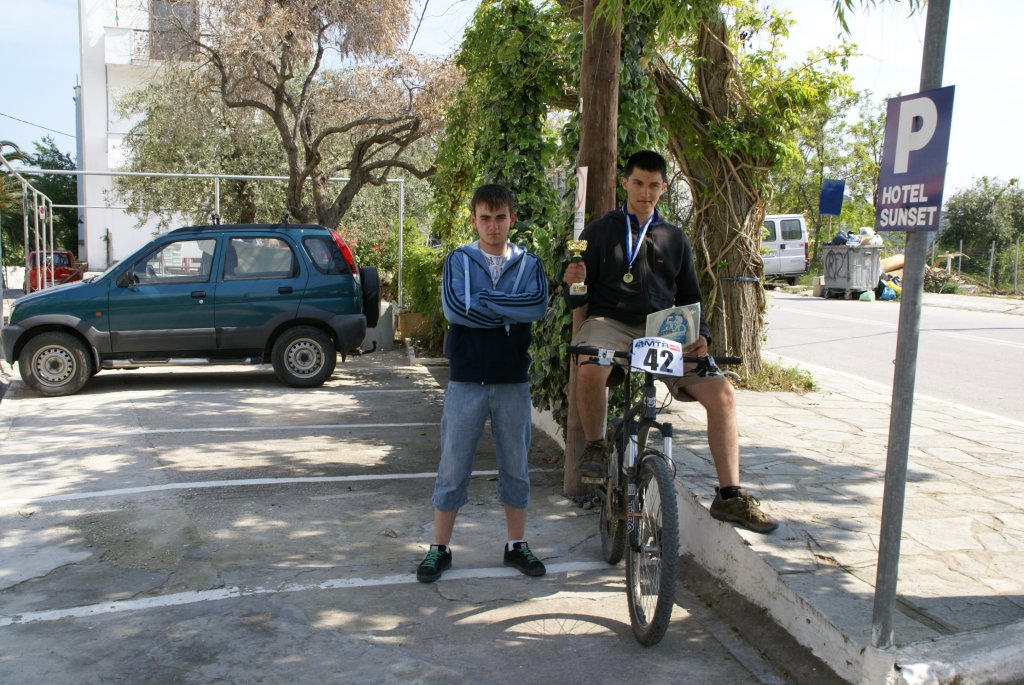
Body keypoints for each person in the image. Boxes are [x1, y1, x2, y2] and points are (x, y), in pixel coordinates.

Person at [563, 150, 778, 534]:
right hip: (610, 322)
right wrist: (573, 283)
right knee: (590, 361)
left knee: (723, 394)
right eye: (638, 183)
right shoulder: (597, 232)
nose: (645, 193)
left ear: (664, 187)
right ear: (625, 183)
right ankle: (595, 444)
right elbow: (576, 300)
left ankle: (729, 496)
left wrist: (703, 335)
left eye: (653, 185)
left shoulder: (675, 238)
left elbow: (690, 297)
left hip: (663, 330)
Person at [417, 184, 551, 583]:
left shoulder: (529, 264)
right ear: (474, 220)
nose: (493, 226)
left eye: (500, 217)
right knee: (453, 465)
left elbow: (537, 306)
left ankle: (516, 545)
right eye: (485, 218)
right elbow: (456, 310)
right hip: (466, 379)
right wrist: (509, 310)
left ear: (512, 219)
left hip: (512, 379)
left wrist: (486, 300)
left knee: (516, 466)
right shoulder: (458, 259)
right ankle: (439, 549)